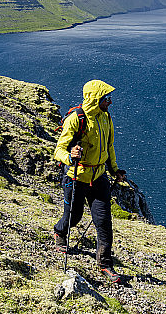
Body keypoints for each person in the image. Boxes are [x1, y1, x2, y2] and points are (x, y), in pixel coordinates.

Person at [53, 79, 126, 282]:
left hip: (99, 177)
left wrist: (114, 170)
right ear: (95, 99)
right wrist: (70, 157)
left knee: (103, 222)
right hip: (76, 177)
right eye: (106, 98)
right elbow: (58, 150)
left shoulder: (105, 118)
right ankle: (59, 233)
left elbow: (109, 147)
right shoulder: (77, 119)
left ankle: (105, 264)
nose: (110, 102)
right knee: (73, 217)